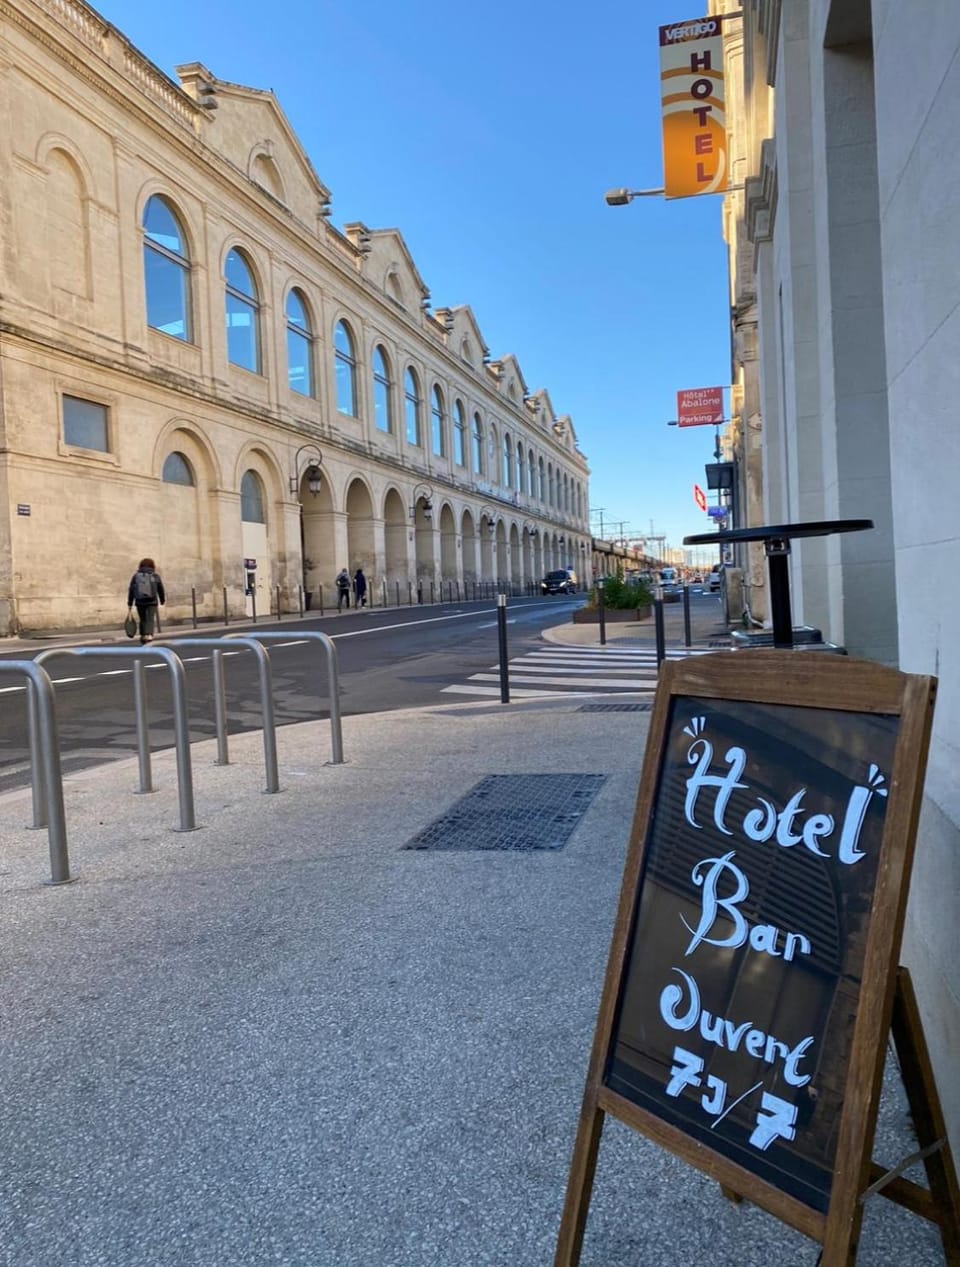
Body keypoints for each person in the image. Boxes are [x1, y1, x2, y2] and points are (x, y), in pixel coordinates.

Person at [127, 557, 165, 645]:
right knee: (150, 619)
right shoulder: (155, 576)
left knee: (143, 619)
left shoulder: (136, 576)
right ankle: (149, 635)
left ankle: (143, 635)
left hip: (139, 601)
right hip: (152, 601)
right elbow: (160, 589)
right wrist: (162, 599)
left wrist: (130, 602)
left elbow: (131, 590)